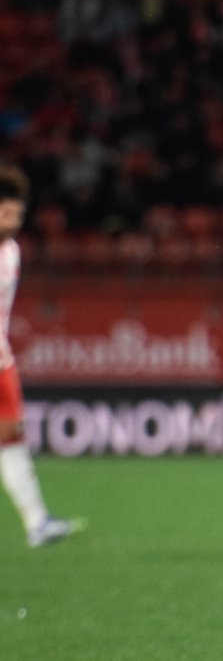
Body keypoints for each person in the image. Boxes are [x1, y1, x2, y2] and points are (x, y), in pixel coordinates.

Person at [0, 167, 84, 547]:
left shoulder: (12, 251)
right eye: (4, 214)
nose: (12, 223)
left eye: (16, 216)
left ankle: (37, 522)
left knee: (11, 437)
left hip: (1, 358)